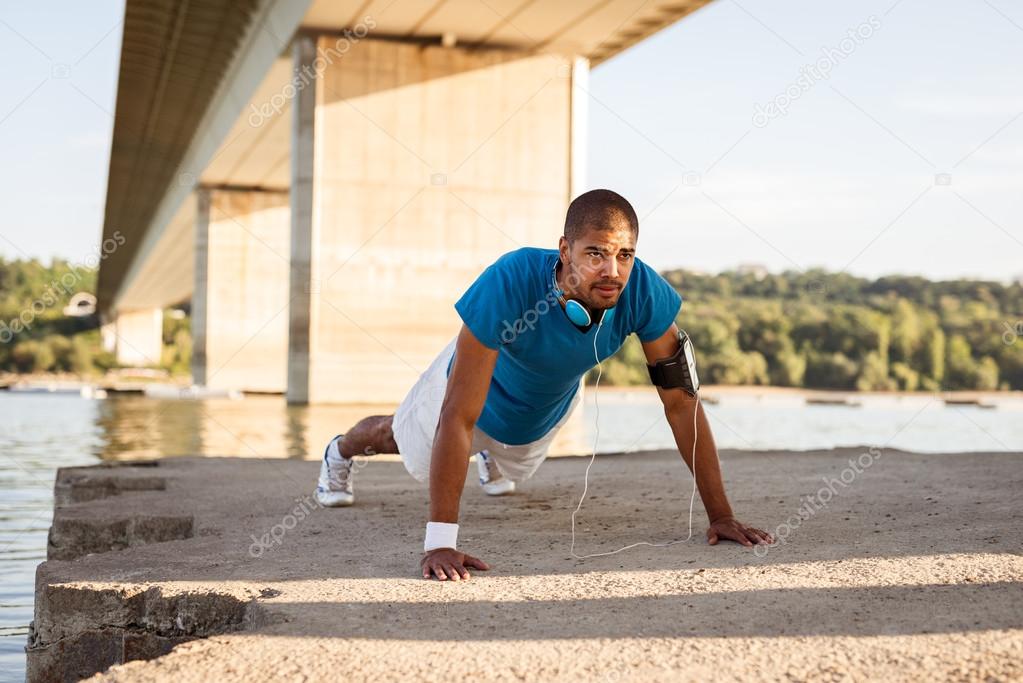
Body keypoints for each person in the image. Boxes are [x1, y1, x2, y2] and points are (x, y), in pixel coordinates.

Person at [314, 189, 774, 581]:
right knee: (395, 436)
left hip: (540, 409)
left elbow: (682, 405)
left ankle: (492, 457)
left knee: (513, 469)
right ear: (565, 249)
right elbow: (458, 414)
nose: (613, 271)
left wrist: (721, 515)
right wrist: (440, 543)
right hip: (466, 395)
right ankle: (341, 451)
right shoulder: (509, 279)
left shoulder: (643, 292)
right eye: (596, 253)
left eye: (625, 255)